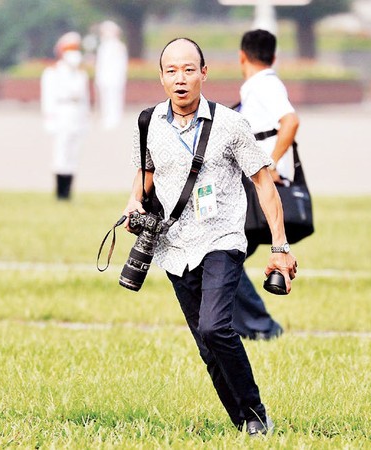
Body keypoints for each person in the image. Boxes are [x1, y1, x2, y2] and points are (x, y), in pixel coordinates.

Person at [121, 37, 297, 436]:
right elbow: (146, 175)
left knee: (215, 328)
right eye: (171, 71)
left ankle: (254, 412)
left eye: (188, 70)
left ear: (204, 73)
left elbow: (263, 183)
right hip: (173, 247)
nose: (180, 78)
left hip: (222, 239)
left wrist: (280, 248)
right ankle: (246, 423)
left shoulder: (231, 125)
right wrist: (133, 202)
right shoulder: (147, 123)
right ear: (161, 77)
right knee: (206, 347)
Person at [233, 29, 300, 340]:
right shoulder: (259, 86)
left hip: (261, 184)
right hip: (257, 184)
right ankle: (242, 323)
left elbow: (290, 120)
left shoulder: (265, 84)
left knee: (223, 256)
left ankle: (261, 326)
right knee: (226, 258)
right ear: (274, 56)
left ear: (242, 56)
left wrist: (270, 162)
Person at [41, 31, 90, 201]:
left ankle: (68, 192)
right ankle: (60, 193)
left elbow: (85, 99)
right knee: (61, 153)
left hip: (77, 114)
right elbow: (48, 98)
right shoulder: (53, 72)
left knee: (74, 154)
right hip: (61, 113)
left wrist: (85, 119)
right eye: (70, 49)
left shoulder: (80, 73)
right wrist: (49, 119)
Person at [94, 20, 128, 130]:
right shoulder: (103, 46)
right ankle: (106, 116)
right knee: (105, 98)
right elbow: (100, 64)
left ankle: (115, 118)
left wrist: (120, 77)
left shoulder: (119, 46)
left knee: (114, 98)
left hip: (115, 78)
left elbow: (122, 65)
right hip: (104, 77)